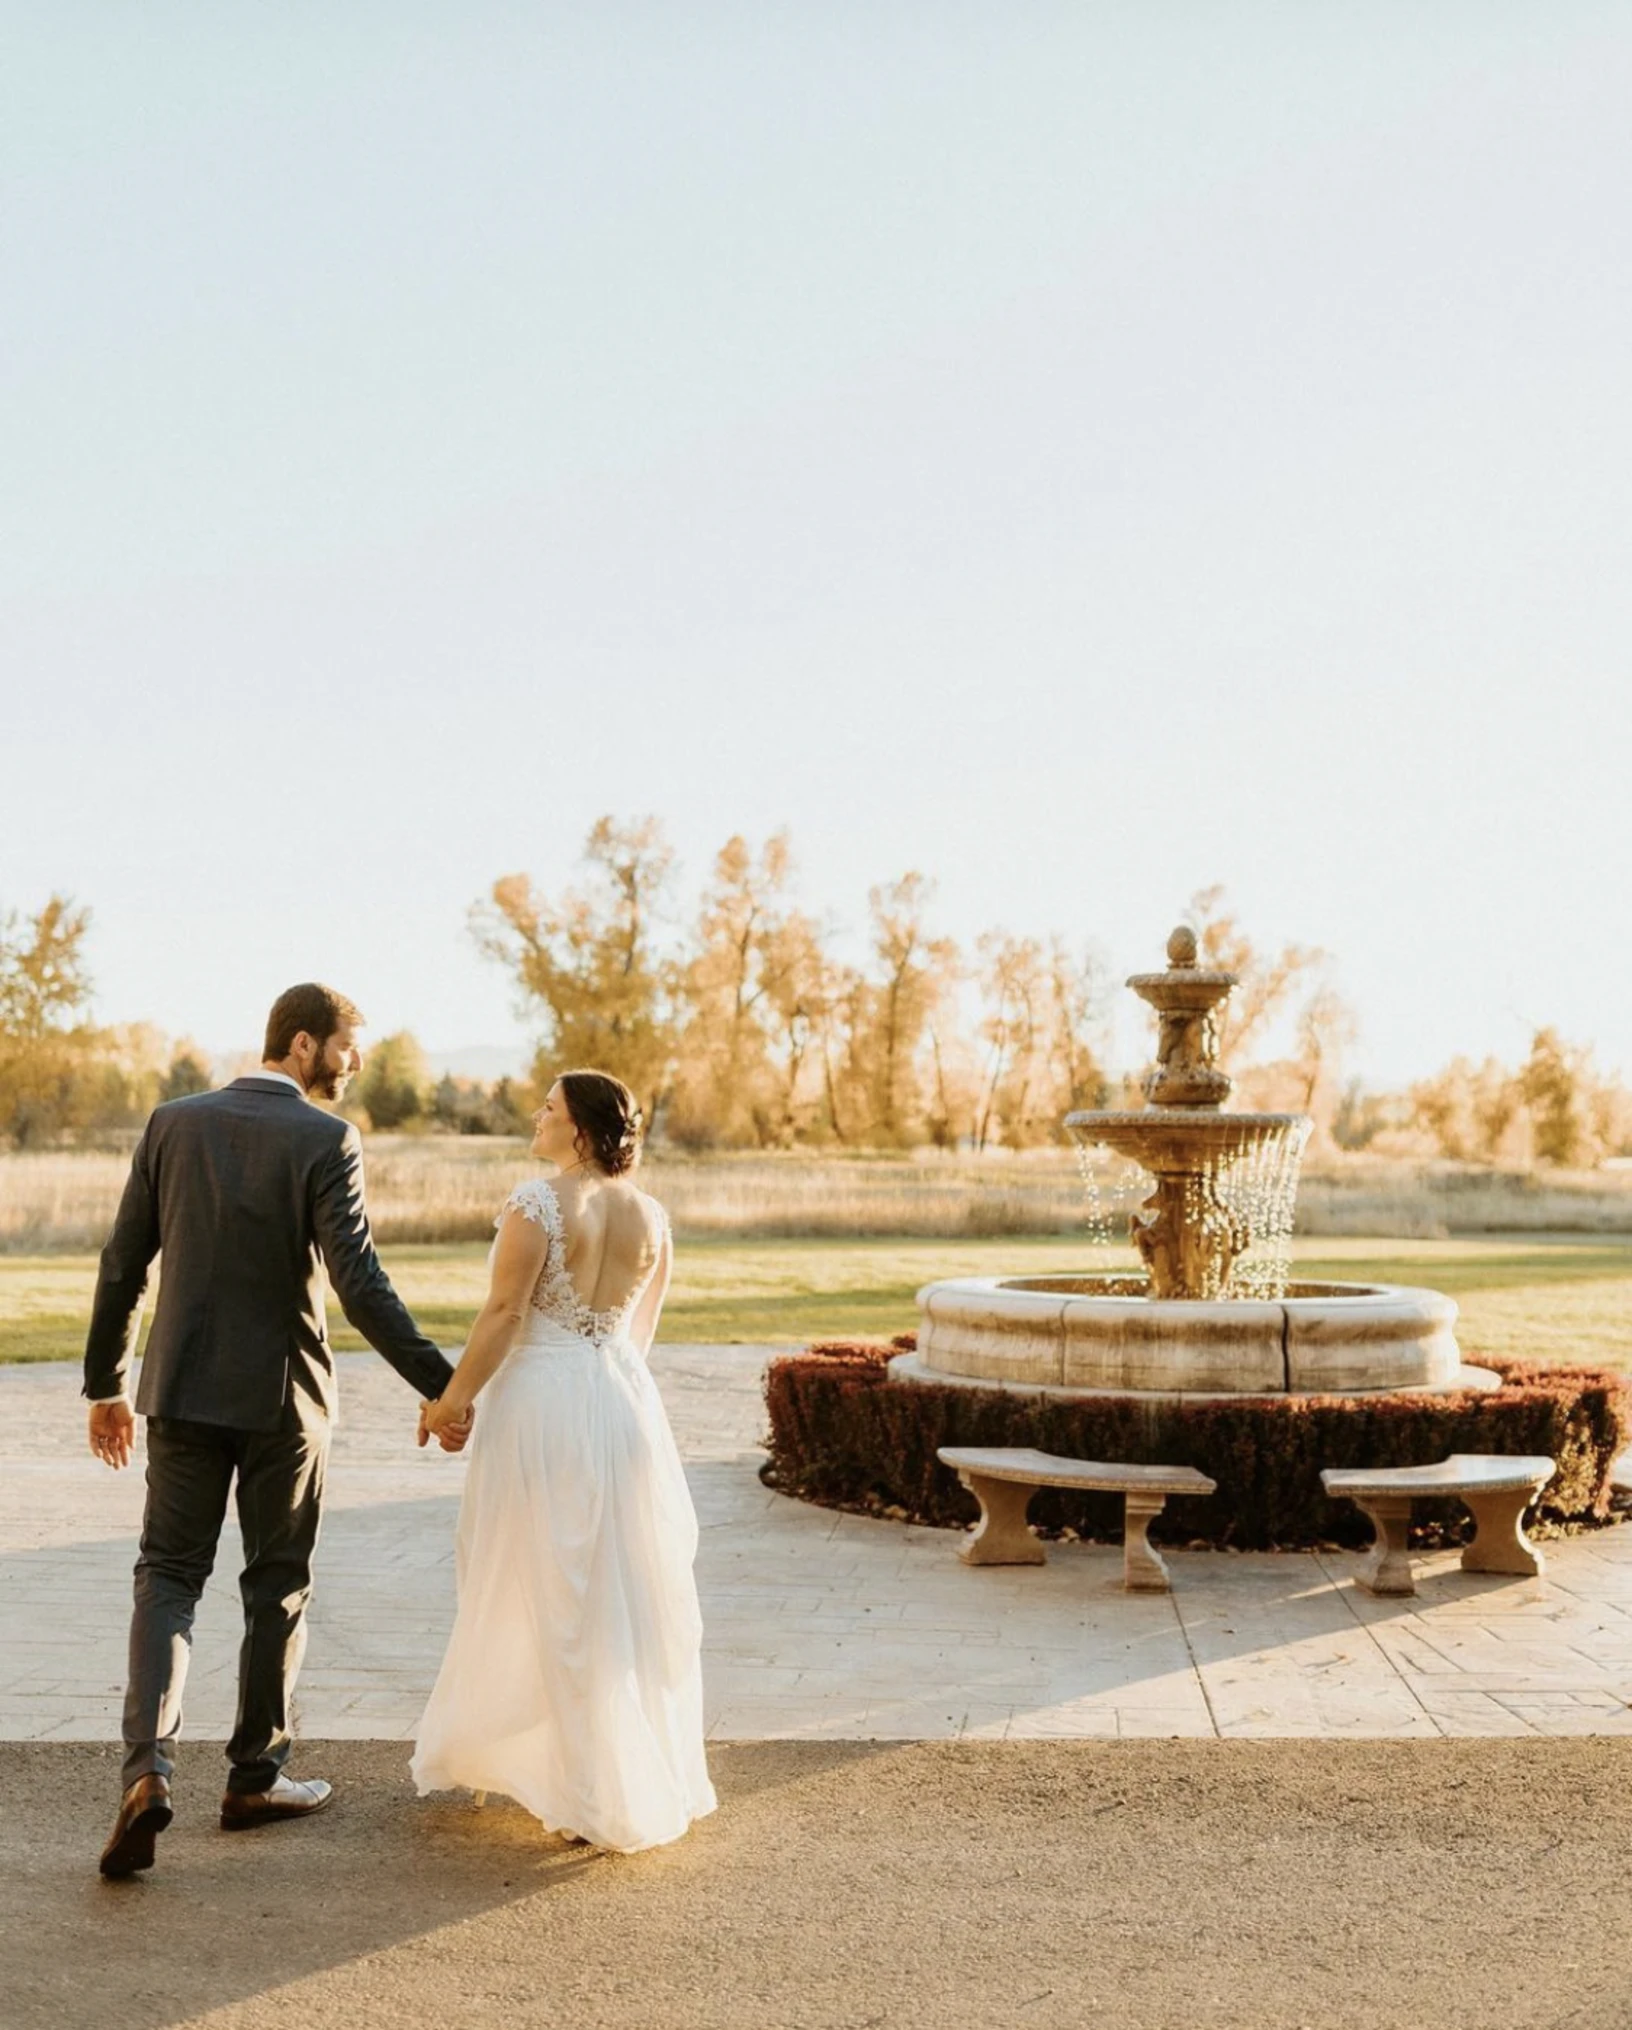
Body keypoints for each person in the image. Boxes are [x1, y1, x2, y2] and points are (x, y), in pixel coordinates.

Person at [84, 983, 471, 1880]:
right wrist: (446, 1388)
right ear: (302, 1046)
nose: (357, 1062)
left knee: (167, 1577)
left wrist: (107, 1383)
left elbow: (122, 1262)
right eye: (348, 1046)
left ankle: (146, 1773)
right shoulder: (326, 1138)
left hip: (177, 1390)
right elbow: (360, 1284)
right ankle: (254, 1777)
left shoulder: (171, 1123)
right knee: (278, 1583)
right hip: (282, 1400)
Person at [412, 1069, 716, 1853]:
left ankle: (583, 1785)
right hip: (622, 1406)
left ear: (579, 1128)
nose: (535, 1117)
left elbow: (505, 1313)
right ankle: (609, 1770)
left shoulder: (537, 1204)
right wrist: (607, 1394)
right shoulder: (651, 1215)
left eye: (548, 1108)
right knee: (612, 1586)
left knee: (550, 1584)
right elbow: (636, 1334)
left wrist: (451, 1403)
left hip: (544, 1408)